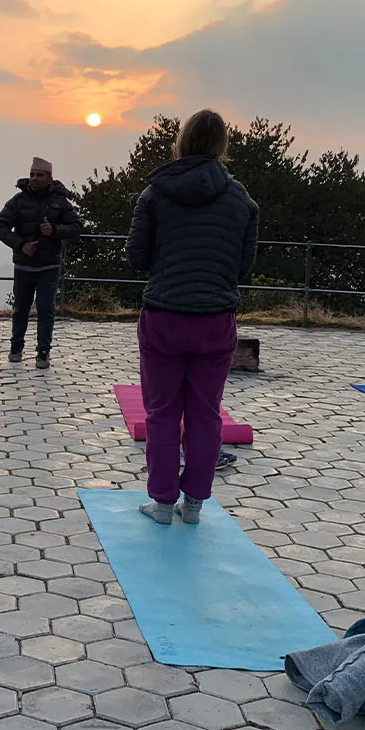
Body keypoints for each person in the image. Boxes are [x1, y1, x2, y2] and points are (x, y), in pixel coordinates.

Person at [125, 109, 259, 524]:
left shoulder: (154, 194)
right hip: (215, 319)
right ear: (222, 146)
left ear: (181, 142)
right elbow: (243, 269)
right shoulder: (242, 201)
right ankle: (195, 503)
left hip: (164, 315)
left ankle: (162, 502)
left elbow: (136, 258)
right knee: (206, 414)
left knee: (162, 414)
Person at [0, 157, 84, 369]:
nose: (34, 178)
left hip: (49, 266)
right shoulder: (17, 201)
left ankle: (43, 353)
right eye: (32, 174)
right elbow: (1, 226)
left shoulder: (60, 202)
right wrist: (21, 245)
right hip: (23, 266)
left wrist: (54, 231)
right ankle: (16, 348)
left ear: (49, 178)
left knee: (46, 310)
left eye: (40, 175)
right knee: (20, 309)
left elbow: (76, 226)